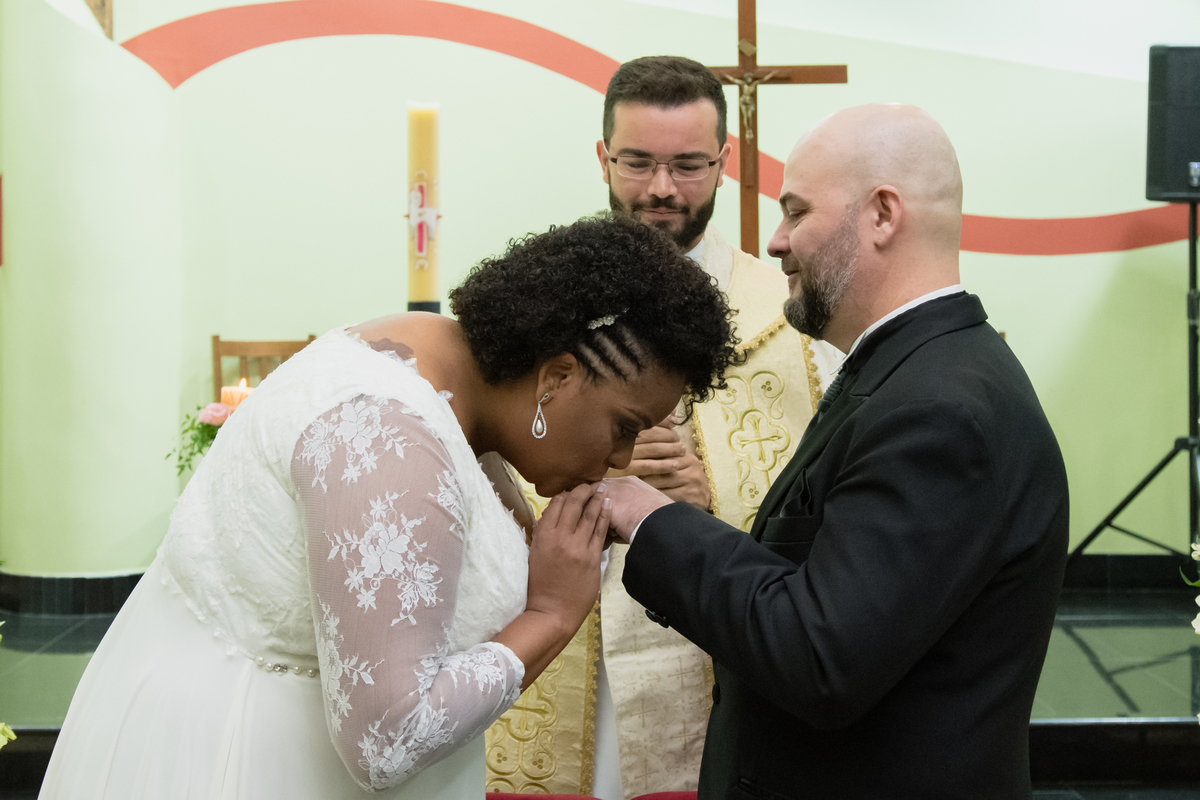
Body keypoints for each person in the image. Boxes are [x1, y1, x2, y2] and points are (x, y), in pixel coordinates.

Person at [37, 216, 738, 800]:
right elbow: (385, 739)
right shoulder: (390, 442)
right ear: (556, 376)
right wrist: (550, 615)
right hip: (250, 760)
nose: (623, 458)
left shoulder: (438, 360)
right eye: (625, 425)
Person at [602, 104, 1070, 799]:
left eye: (796, 212)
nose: (777, 241)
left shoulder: (935, 412)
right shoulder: (909, 372)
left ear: (882, 215)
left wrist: (650, 521)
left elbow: (820, 658)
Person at [487, 55, 839, 799]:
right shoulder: (532, 307)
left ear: (724, 161)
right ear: (602, 156)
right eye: (638, 163)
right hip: (558, 652)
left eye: (687, 166)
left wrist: (714, 503)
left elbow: (831, 511)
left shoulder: (793, 323)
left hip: (705, 658)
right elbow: (485, 461)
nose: (660, 190)